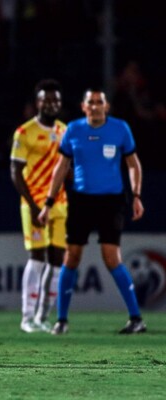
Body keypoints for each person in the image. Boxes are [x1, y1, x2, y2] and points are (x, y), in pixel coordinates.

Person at [38, 88, 146, 335]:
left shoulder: (120, 129)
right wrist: (48, 202)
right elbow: (61, 167)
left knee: (111, 258)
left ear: (106, 107)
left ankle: (136, 318)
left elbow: (133, 164)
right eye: (91, 102)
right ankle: (62, 320)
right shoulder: (73, 130)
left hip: (112, 201)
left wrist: (136, 196)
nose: (95, 106)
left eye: (100, 102)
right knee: (71, 257)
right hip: (80, 201)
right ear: (83, 106)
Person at [10, 79, 67, 333]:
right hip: (33, 203)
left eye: (55, 99)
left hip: (60, 204)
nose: (51, 103)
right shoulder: (25, 132)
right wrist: (33, 206)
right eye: (46, 99)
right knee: (37, 257)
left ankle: (43, 317)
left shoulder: (65, 131)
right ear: (38, 102)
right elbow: (16, 171)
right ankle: (26, 317)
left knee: (57, 261)